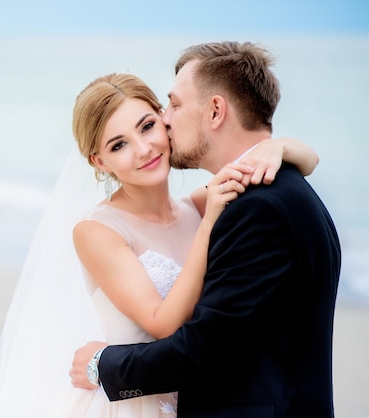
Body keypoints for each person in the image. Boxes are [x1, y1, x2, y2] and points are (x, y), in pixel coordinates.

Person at [0, 71, 319, 418]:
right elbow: (162, 323)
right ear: (99, 161)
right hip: (133, 404)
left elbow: (308, 160)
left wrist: (276, 146)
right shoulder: (98, 230)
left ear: (165, 121)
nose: (143, 149)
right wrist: (208, 226)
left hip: (197, 398)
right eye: (118, 145)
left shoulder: (198, 205)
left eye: (147, 126)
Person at [70, 42, 341, 417]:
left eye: (164, 114)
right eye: (119, 145)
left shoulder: (235, 207)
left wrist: (102, 364)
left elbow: (197, 349)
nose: (161, 127)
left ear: (215, 111)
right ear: (100, 161)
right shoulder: (225, 201)